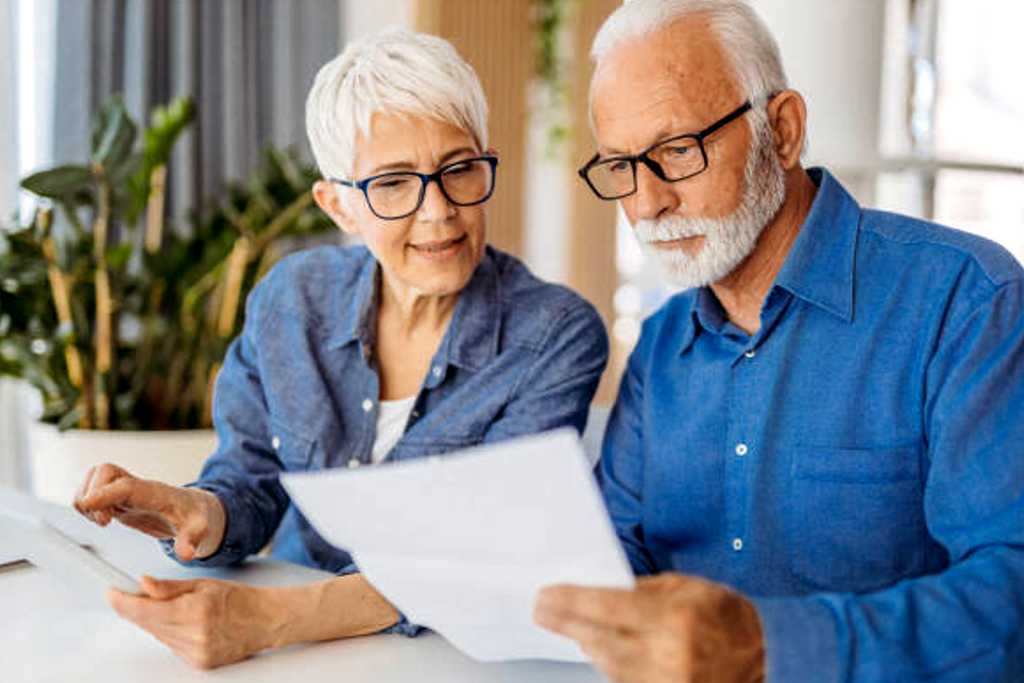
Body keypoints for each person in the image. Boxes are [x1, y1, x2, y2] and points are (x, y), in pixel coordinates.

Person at [73, 27, 608, 670]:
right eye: (393, 183)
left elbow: (475, 560)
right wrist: (192, 512)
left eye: (459, 169)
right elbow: (251, 481)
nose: (439, 210)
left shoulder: (555, 335)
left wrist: (267, 621)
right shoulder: (292, 301)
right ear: (338, 207)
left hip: (448, 659)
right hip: (297, 654)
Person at [533, 1, 1024, 681]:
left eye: (677, 151)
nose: (646, 205)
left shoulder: (965, 300)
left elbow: (1010, 593)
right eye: (621, 166)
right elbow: (615, 552)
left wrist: (767, 646)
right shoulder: (661, 345)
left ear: (783, 131)